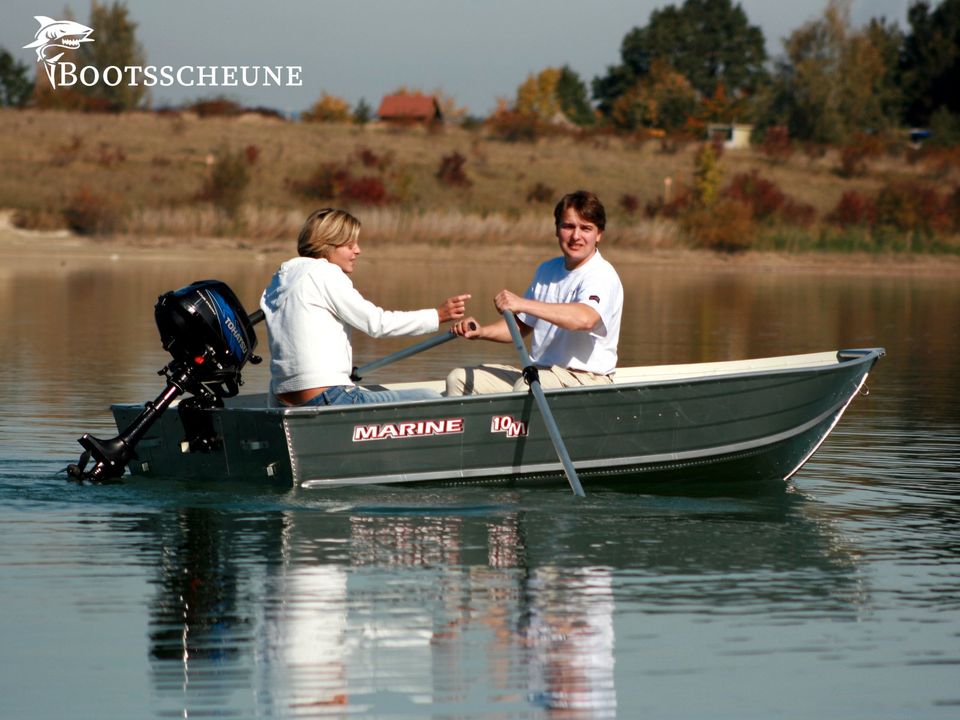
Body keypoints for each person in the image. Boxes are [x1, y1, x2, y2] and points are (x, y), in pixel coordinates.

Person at [260, 208, 470, 407]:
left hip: (281, 400)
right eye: (350, 245)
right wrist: (437, 316)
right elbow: (377, 324)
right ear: (327, 245)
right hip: (327, 396)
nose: (358, 251)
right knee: (430, 397)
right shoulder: (326, 274)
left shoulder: (279, 280)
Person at [445, 190, 623, 396]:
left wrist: (523, 304)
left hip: (586, 379)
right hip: (539, 372)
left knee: (526, 387)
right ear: (557, 229)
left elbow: (585, 319)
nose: (576, 236)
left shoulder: (601, 274)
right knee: (458, 379)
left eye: (586, 228)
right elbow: (521, 326)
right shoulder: (547, 269)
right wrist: (481, 332)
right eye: (568, 226)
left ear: (599, 234)